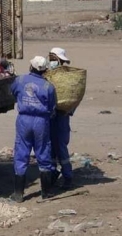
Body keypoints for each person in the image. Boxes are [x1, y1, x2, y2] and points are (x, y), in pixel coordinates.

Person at [9, 56, 57, 202]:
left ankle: (18, 194)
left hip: (24, 119)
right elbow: (52, 106)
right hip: (41, 121)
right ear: (44, 70)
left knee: (21, 152)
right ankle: (46, 193)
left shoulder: (20, 80)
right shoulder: (48, 86)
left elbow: (13, 93)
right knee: (43, 152)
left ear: (31, 67)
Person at [48, 47, 74, 190]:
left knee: (61, 147)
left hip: (61, 117)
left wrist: (67, 110)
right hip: (51, 117)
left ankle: (67, 176)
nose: (52, 62)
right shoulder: (47, 75)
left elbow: (73, 97)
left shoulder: (67, 78)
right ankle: (52, 173)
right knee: (51, 147)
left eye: (54, 60)